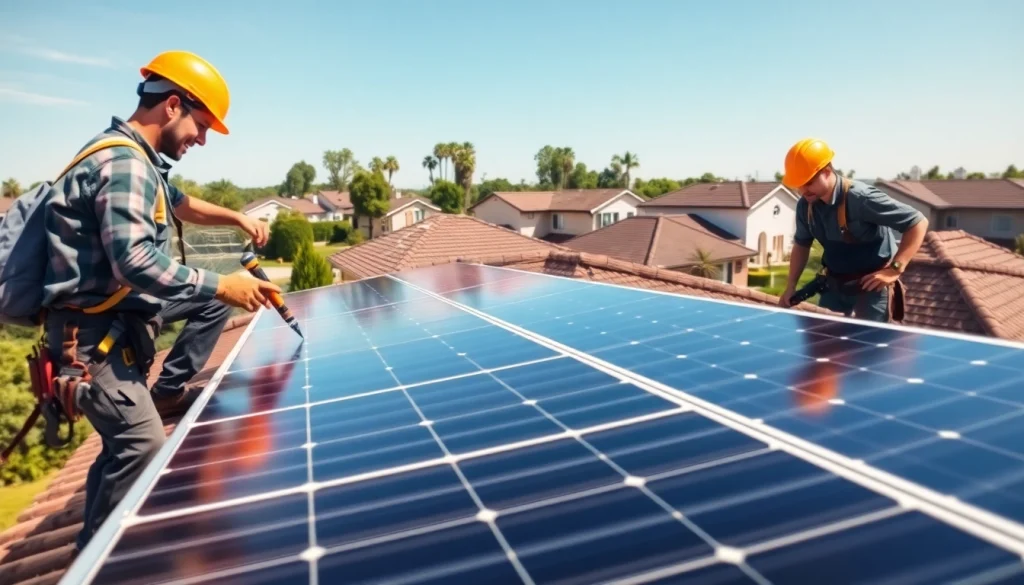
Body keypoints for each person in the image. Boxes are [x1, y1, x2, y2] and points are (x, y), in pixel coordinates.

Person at [41, 50, 282, 553]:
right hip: (85, 337)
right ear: (173, 105)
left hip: (120, 310)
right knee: (140, 444)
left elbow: (178, 203)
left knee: (212, 302)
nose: (202, 139)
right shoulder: (124, 163)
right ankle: (94, 554)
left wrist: (237, 219)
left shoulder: (136, 158)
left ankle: (166, 390)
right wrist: (222, 284)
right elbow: (134, 261)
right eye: (202, 126)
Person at [778, 138, 928, 322]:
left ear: (826, 172)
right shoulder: (805, 206)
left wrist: (895, 269)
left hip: (870, 289)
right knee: (826, 343)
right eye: (798, 184)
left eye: (808, 183)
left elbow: (917, 222)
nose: (803, 190)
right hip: (834, 286)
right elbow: (802, 244)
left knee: (869, 345)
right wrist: (791, 285)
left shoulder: (860, 198)